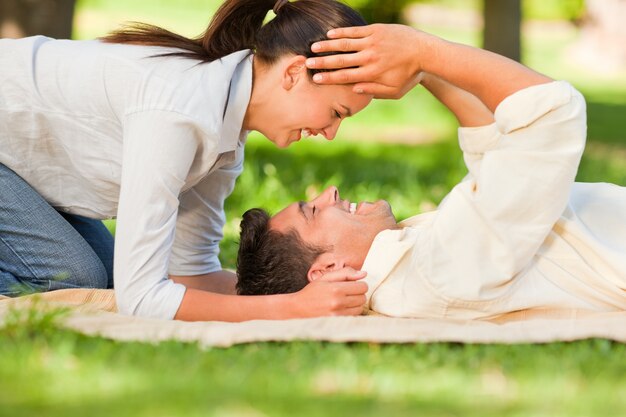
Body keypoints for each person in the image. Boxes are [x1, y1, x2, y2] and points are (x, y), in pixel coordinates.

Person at [0, 0, 374, 321]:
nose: (331, 133)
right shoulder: (180, 113)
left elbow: (190, 274)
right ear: (293, 73)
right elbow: (142, 299)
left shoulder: (224, 131)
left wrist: (312, 291)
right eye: (336, 112)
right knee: (74, 277)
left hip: (14, 167)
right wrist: (291, 308)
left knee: (109, 276)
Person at [236, 25, 626, 319]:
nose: (330, 192)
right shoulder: (438, 273)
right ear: (329, 270)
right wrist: (425, 51)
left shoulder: (413, 266)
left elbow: (495, 152)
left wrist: (425, 75)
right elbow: (551, 112)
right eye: (313, 211)